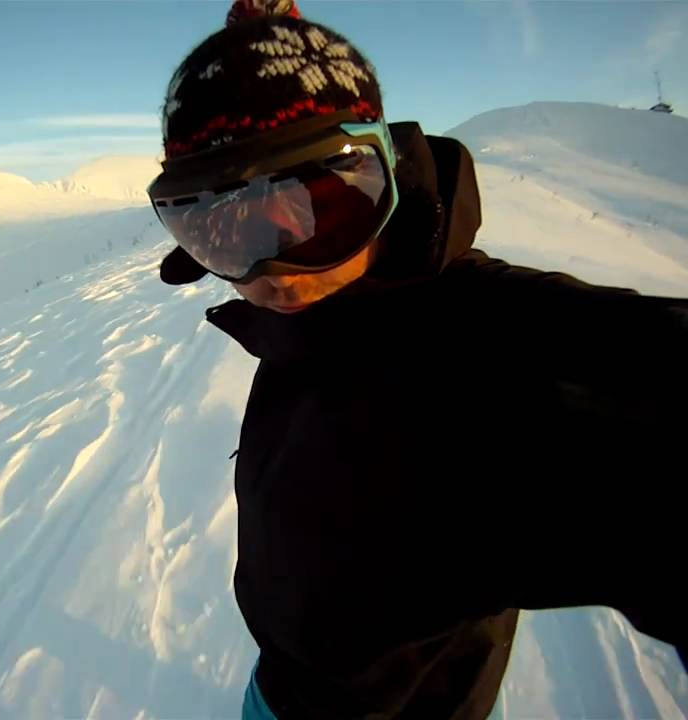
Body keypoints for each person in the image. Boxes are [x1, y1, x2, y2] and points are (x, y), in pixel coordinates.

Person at [147, 1, 688, 718]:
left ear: (390, 172)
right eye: (218, 226)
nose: (274, 271)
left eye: (324, 201)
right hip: (278, 689)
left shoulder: (490, 354)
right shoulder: (309, 311)